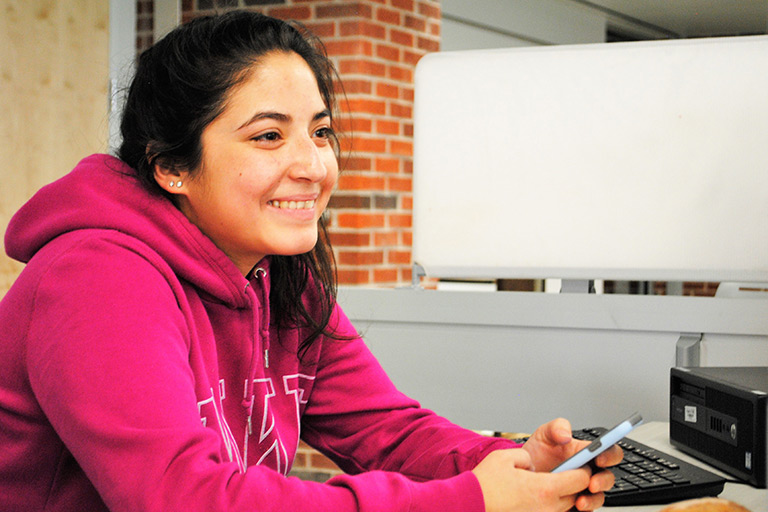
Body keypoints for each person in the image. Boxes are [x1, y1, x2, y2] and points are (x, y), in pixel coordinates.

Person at [0, 10, 621, 512]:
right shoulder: (97, 277)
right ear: (172, 168)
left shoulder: (279, 273)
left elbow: (386, 430)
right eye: (268, 136)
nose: (314, 165)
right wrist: (470, 500)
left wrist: (507, 462)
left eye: (320, 131)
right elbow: (179, 497)